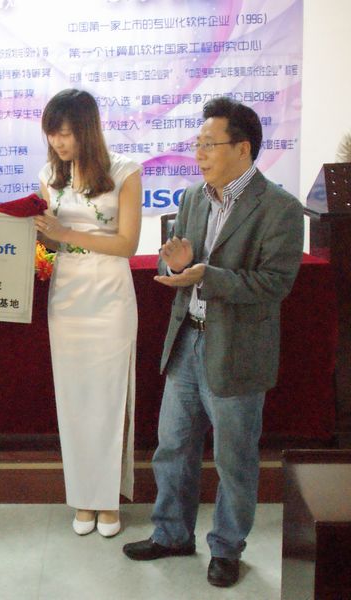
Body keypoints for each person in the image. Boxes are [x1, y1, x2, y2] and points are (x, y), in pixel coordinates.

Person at [122, 98, 304, 588]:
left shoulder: (280, 208)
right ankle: (172, 534)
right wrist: (176, 265)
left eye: (209, 144)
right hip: (187, 341)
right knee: (172, 447)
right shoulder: (192, 198)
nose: (198, 153)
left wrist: (207, 275)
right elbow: (171, 261)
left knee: (234, 459)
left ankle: (226, 548)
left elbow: (275, 284)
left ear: (242, 149)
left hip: (238, 350)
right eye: (197, 143)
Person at [33, 89, 142, 539]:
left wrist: (65, 234)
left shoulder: (125, 171)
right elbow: (50, 239)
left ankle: (108, 498)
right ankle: (83, 496)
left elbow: (127, 244)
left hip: (110, 290)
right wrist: (36, 233)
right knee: (74, 397)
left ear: (87, 129)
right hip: (68, 292)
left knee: (110, 396)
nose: (58, 142)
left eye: (66, 132)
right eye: (52, 133)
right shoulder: (49, 175)